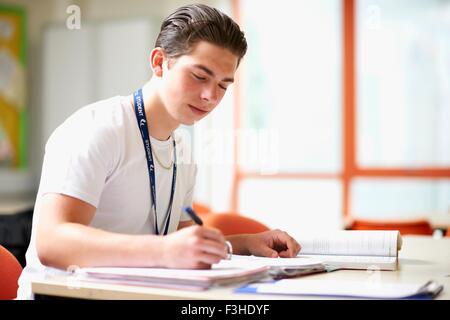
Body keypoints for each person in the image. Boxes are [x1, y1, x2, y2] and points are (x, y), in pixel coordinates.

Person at [17, 4, 301, 299]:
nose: (210, 97)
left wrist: (245, 243)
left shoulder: (182, 150)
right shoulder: (96, 128)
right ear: (159, 62)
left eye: (222, 86)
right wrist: (164, 250)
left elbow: (179, 240)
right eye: (200, 76)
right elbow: (52, 243)